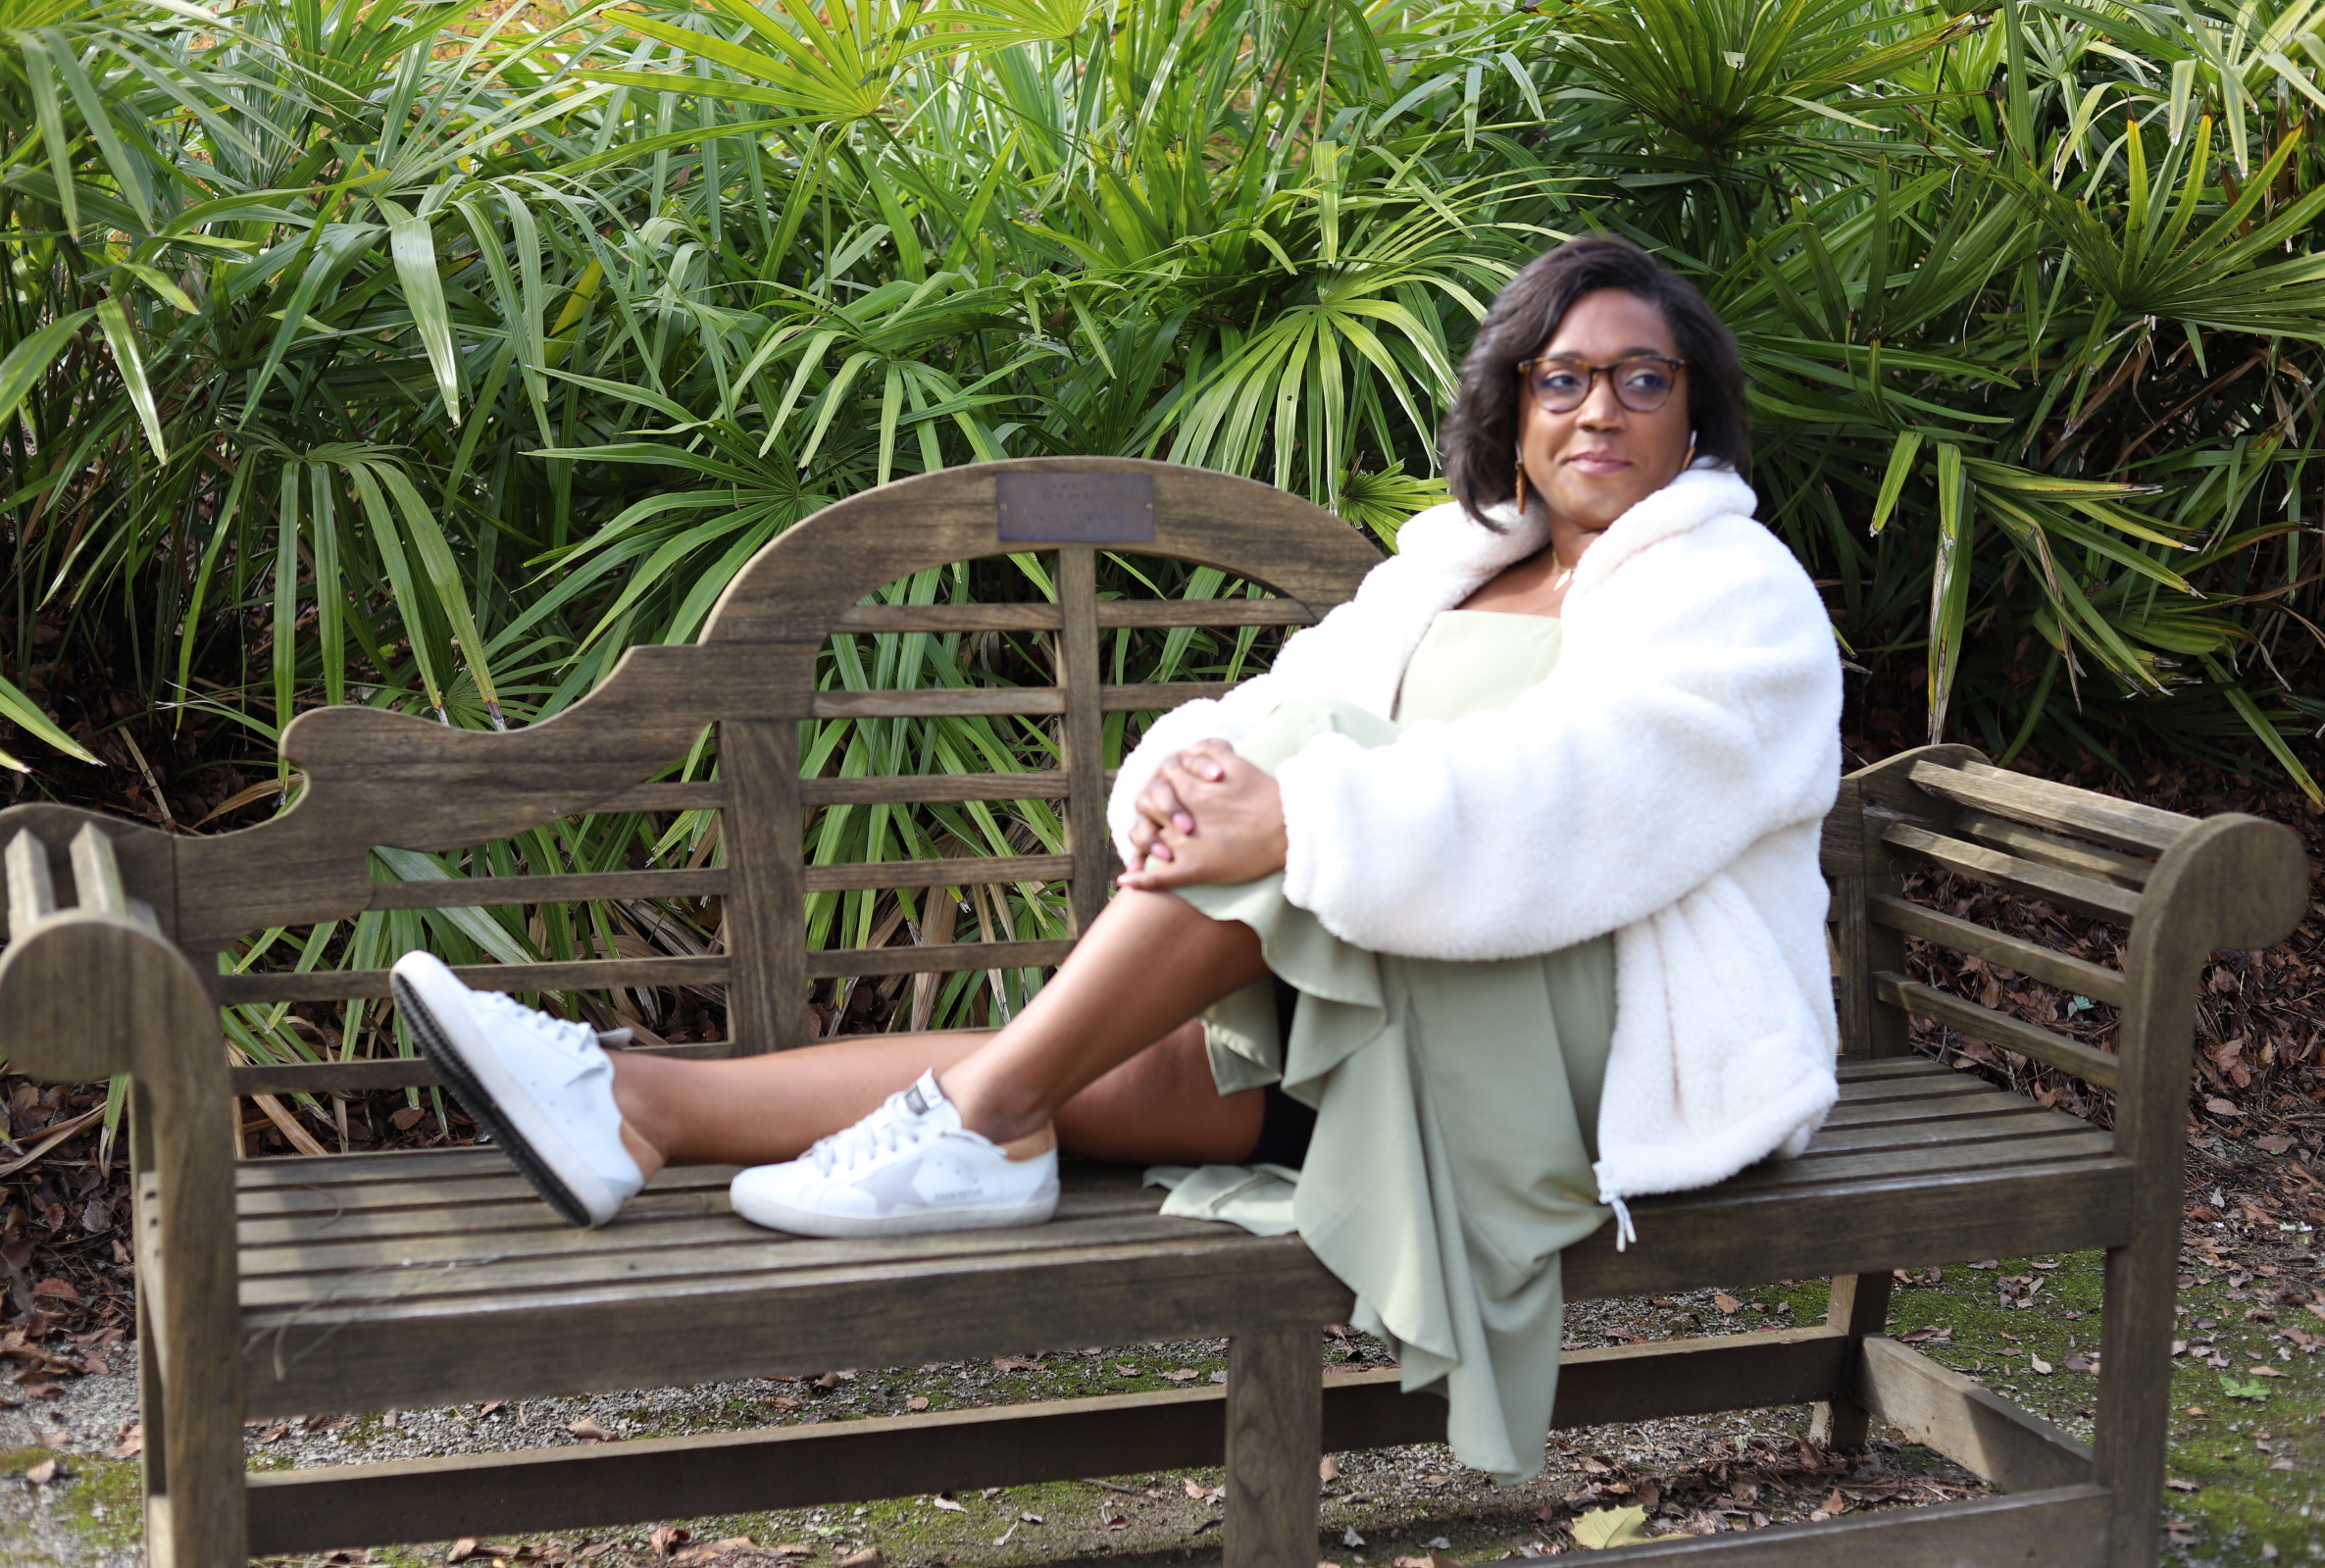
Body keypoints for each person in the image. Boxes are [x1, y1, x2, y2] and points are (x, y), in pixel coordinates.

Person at [390, 232, 1845, 1480]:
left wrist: (1302, 814)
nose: (1600, 409)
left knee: (1311, 771)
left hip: (1596, 1041)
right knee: (1110, 1049)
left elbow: (1597, 794)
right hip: (1407, 991)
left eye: (1641, 379)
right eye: (1562, 377)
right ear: (1515, 410)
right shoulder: (1459, 566)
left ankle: (973, 1123)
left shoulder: (1733, 590)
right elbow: (1272, 713)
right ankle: (631, 1103)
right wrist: (1187, 779)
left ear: (1694, 416)